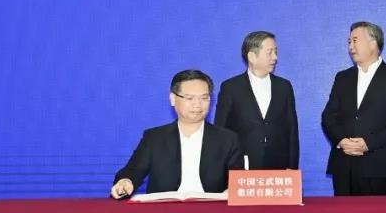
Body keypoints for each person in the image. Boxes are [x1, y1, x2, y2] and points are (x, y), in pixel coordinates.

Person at [110, 69, 243, 198]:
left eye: (204, 98)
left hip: (211, 210)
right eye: (190, 98)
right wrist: (125, 182)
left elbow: (239, 180)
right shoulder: (154, 138)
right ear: (173, 99)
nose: (197, 104)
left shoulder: (227, 139)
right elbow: (132, 171)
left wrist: (234, 190)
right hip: (164, 210)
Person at [321, 21, 386, 196]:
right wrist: (341, 140)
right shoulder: (342, 78)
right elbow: (328, 117)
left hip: (378, 168)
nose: (350, 47)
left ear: (373, 43)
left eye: (355, 40)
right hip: (343, 166)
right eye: (349, 42)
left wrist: (368, 143)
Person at [214, 31, 299, 170]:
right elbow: (221, 129)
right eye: (270, 52)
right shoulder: (231, 87)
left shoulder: (284, 86)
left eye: (276, 52)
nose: (275, 57)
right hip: (242, 166)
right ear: (252, 56)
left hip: (279, 166)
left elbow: (292, 129)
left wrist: (292, 167)